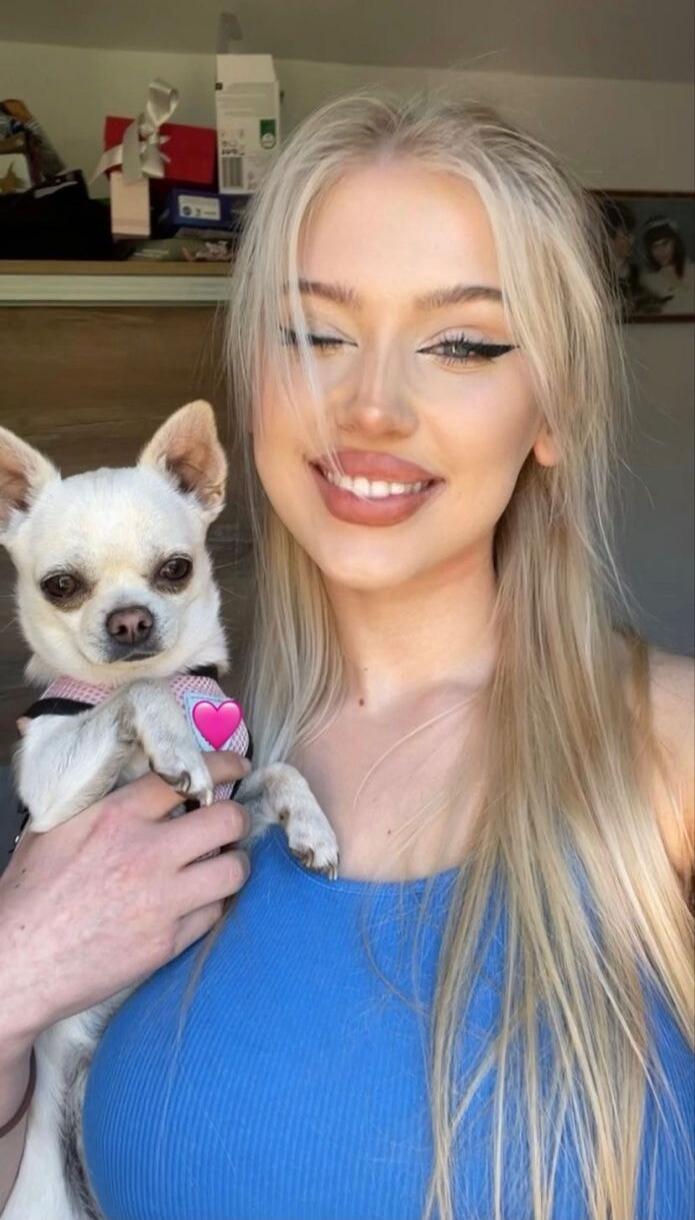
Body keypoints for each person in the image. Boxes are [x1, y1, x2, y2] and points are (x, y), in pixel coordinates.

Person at [1, 93, 693, 1220]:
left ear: (550, 407)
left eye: (460, 341)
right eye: (314, 334)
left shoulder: (672, 758)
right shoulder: (112, 778)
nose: (370, 404)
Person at [640, 215, 695, 316]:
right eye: (655, 247)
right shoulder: (648, 281)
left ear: (675, 243)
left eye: (665, 244)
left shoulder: (692, 270)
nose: (661, 252)